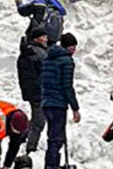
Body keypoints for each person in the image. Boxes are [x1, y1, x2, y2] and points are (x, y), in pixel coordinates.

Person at [41, 33, 80, 169]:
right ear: (67, 47)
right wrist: (75, 108)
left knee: (52, 137)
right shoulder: (66, 61)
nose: (74, 49)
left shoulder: (47, 57)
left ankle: (51, 165)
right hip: (58, 104)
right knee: (56, 139)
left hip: (46, 103)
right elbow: (67, 86)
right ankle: (52, 166)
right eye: (72, 46)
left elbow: (42, 81)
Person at [17, 28, 50, 154]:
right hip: (38, 91)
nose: (46, 39)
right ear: (38, 38)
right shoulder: (39, 53)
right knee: (39, 120)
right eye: (44, 37)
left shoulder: (27, 51)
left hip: (30, 91)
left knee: (36, 116)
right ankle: (31, 147)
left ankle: (23, 136)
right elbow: (46, 73)